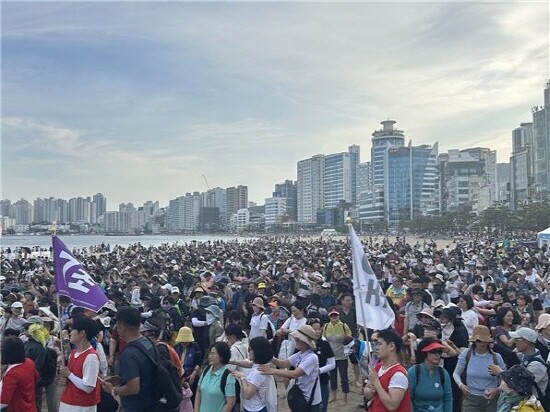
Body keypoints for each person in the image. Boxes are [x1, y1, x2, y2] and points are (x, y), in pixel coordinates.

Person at [101, 306, 155, 412]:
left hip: (136, 406)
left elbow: (133, 388)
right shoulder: (148, 342)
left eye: (117, 325)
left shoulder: (129, 353)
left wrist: (113, 390)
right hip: (150, 401)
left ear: (123, 326)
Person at [259, 324, 322, 412]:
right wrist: (271, 357)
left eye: (298, 339)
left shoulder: (312, 357)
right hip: (302, 396)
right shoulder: (300, 354)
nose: (296, 341)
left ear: (305, 342)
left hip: (311, 401)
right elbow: (284, 363)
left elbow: (294, 374)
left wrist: (271, 370)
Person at [452, 325, 506, 412]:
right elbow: (456, 373)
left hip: (491, 400)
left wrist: (497, 389)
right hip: (471, 398)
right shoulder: (466, 354)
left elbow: (505, 377)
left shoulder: (496, 357)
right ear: (474, 341)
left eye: (485, 340)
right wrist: (461, 385)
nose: (482, 343)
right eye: (479, 340)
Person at [59, 317, 101, 412]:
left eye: (72, 330)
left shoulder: (91, 357)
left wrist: (69, 374)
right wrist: (65, 379)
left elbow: (88, 387)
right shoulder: (73, 354)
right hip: (68, 401)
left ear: (82, 333)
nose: (70, 332)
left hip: (82, 405)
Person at [363, 328, 411, 412]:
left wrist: (377, 384)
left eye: (379, 344)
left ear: (391, 346)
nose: (376, 348)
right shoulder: (377, 367)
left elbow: (392, 406)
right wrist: (369, 390)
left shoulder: (398, 374)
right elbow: (367, 393)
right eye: (375, 344)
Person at [231, 336, 277, 412]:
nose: (248, 351)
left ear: (257, 351)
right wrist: (232, 361)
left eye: (250, 349)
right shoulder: (261, 366)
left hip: (255, 409)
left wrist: (242, 378)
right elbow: (248, 364)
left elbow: (248, 394)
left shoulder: (258, 372)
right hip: (255, 407)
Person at [407, 338, 452, 412]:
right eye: (433, 351)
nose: (437, 355)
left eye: (439, 352)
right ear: (425, 353)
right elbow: (408, 398)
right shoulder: (414, 371)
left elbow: (448, 399)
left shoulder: (443, 373)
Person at [0, 336, 40, 411]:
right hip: (30, 406)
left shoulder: (12, 374)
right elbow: (36, 378)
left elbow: (3, 402)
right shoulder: (29, 362)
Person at [194, 341, 237, 412]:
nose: (210, 356)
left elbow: (230, 403)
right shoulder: (206, 370)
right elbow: (199, 391)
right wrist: (196, 409)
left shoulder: (228, 376)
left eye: (213, 354)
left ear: (222, 356)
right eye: (210, 353)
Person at [322, 307, 352, 404]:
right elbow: (323, 338)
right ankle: (334, 396)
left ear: (339, 315)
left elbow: (349, 337)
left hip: (342, 355)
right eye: (332, 315)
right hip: (331, 356)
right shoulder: (326, 326)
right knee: (332, 377)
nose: (334, 316)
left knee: (344, 377)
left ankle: (345, 397)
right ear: (329, 316)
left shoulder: (343, 325)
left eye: (335, 315)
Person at [308, 318, 335, 412]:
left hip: (322, 381)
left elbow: (332, 364)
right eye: (314, 329)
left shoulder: (325, 344)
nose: (317, 331)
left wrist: (319, 370)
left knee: (321, 408)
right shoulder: (304, 344)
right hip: (307, 383)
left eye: (319, 329)